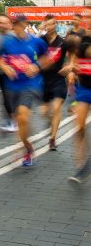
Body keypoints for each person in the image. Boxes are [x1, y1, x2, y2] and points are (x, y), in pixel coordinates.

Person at [0, 15, 48, 167]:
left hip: (30, 84)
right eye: (15, 24)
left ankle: (26, 151)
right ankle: (28, 148)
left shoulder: (36, 42)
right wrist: (5, 67)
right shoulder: (7, 42)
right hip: (12, 86)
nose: (17, 27)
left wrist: (36, 66)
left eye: (20, 24)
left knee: (23, 116)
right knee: (20, 121)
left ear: (25, 24)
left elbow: (47, 59)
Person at [67, 8, 91, 183]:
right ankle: (81, 165)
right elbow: (74, 58)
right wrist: (71, 70)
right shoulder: (80, 37)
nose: (88, 20)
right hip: (83, 87)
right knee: (80, 126)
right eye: (87, 17)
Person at [40, 15, 70, 151]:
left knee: (56, 108)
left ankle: (52, 139)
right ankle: (50, 121)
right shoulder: (41, 41)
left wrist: (70, 66)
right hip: (44, 80)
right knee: (46, 112)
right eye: (47, 24)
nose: (49, 27)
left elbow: (72, 56)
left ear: (56, 25)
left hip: (58, 79)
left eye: (51, 24)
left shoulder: (62, 42)